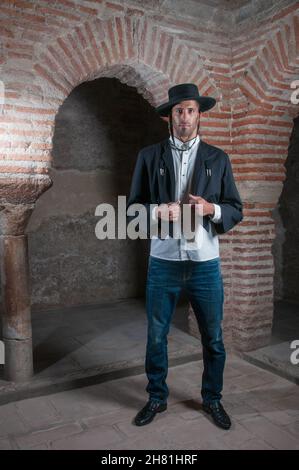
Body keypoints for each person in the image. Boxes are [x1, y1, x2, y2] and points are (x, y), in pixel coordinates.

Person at [126, 83, 243, 430]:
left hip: (205, 264)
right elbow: (132, 211)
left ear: (199, 115)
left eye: (190, 110)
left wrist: (211, 208)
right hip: (163, 262)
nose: (184, 117)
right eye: (178, 111)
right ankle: (156, 397)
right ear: (169, 116)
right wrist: (157, 212)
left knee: (214, 338)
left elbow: (236, 208)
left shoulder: (218, 158)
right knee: (156, 335)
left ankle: (213, 399)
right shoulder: (149, 157)